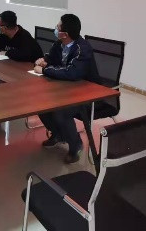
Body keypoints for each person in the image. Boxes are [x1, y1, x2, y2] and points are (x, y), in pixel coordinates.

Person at [33, 14, 100, 164]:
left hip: (87, 93)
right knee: (40, 104)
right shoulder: (60, 43)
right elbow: (51, 57)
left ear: (65, 34)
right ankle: (58, 134)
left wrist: (45, 70)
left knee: (61, 111)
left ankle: (75, 145)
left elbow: (72, 73)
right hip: (66, 88)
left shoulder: (82, 48)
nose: (56, 29)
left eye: (58, 27)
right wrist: (44, 60)